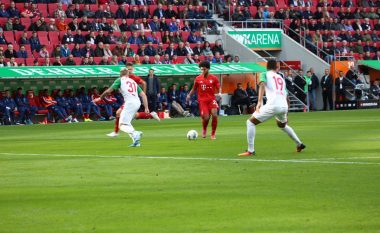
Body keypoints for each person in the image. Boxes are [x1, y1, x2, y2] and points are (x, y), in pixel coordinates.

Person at [238, 60, 306, 156]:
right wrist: (286, 113)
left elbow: (262, 85)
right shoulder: (281, 78)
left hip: (273, 105)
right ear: (276, 67)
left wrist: (259, 102)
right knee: (282, 125)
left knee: (250, 122)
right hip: (284, 106)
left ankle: (251, 150)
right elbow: (287, 97)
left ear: (267, 66)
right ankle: (299, 144)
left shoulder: (264, 74)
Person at [93, 68, 149, 147]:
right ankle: (136, 142)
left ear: (121, 74)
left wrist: (100, 98)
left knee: (122, 125)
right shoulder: (133, 81)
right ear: (127, 74)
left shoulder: (120, 80)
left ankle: (135, 133)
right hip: (137, 102)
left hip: (129, 103)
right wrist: (146, 107)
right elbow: (143, 95)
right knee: (127, 122)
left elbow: (108, 91)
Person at [107, 63, 159, 138]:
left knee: (119, 113)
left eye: (131, 69)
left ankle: (117, 132)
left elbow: (144, 83)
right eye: (128, 69)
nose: (129, 71)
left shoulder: (134, 77)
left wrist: (143, 94)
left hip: (132, 100)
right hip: (129, 100)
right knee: (133, 115)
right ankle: (151, 115)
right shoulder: (124, 77)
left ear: (133, 69)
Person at [186, 61, 221, 140]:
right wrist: (189, 95)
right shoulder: (198, 78)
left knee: (214, 114)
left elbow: (219, 86)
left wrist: (220, 92)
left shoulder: (214, 78)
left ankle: (213, 134)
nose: (202, 71)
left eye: (204, 69)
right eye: (201, 69)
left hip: (211, 99)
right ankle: (204, 129)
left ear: (208, 69)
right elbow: (194, 89)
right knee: (206, 118)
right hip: (202, 101)